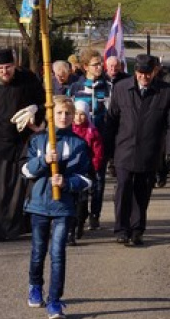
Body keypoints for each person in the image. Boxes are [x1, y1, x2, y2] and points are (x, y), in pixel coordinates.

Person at [21, 95, 92, 319]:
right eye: (59, 113)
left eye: (67, 114)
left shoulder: (79, 144)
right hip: (39, 205)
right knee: (38, 251)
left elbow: (87, 179)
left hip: (63, 207)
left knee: (58, 253)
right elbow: (25, 171)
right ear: (50, 115)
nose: (63, 117)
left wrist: (68, 182)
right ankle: (34, 286)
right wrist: (44, 161)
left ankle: (55, 300)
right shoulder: (37, 140)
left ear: (73, 117)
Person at [106, 54, 170, 245]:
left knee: (142, 191)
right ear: (135, 72)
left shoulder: (167, 92)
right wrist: (109, 152)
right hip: (124, 149)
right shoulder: (121, 88)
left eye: (148, 73)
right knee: (123, 188)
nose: (144, 77)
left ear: (155, 72)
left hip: (150, 151)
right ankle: (121, 229)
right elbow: (111, 121)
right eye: (141, 73)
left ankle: (137, 229)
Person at [0, 48, 45, 242]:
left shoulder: (28, 81)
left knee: (18, 189)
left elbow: (43, 102)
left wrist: (35, 110)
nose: (5, 72)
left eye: (8, 67)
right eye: (0, 68)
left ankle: (16, 227)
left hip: (22, 141)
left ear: (15, 65)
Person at [68, 48, 110, 231]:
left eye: (101, 63)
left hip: (100, 140)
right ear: (86, 67)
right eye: (96, 64)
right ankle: (80, 214)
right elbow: (68, 112)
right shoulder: (76, 87)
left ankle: (95, 214)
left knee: (98, 180)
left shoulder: (108, 87)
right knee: (80, 179)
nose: (100, 66)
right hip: (79, 141)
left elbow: (113, 113)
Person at [68, 100, 104, 245]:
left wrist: (94, 167)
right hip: (70, 170)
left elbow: (98, 152)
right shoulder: (69, 130)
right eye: (76, 114)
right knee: (70, 200)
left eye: (82, 114)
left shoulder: (92, 131)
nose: (79, 117)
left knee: (82, 200)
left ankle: (80, 223)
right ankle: (71, 228)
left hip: (86, 170)